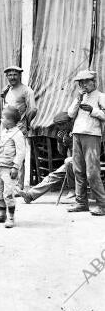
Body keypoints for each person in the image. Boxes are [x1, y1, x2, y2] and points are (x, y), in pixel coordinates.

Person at [66, 70, 105, 216]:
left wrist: (93, 110)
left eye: (86, 82)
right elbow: (70, 114)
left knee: (92, 171)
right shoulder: (80, 97)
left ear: (94, 82)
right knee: (78, 170)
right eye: (80, 82)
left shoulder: (101, 97)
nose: (83, 85)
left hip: (92, 135)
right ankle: (81, 202)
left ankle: (102, 204)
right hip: (77, 134)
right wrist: (78, 99)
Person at [18, 112, 76, 203]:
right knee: (52, 177)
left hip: (78, 162)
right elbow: (62, 153)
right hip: (70, 164)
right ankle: (30, 195)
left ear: (68, 123)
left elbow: (78, 152)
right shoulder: (65, 133)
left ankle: (73, 190)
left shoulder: (77, 132)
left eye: (61, 126)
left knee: (63, 166)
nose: (59, 129)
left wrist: (70, 142)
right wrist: (60, 142)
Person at [0, 106, 26, 228]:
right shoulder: (4, 132)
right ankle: (1, 214)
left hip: (9, 169)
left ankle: (11, 217)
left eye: (3, 117)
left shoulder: (17, 134)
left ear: (10, 120)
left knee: (8, 193)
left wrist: (16, 167)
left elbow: (21, 152)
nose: (1, 119)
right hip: (1, 167)